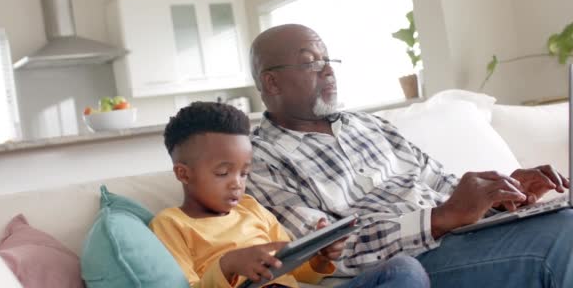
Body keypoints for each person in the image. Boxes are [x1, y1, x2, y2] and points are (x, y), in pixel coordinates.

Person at [246, 23, 573, 287]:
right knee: (563, 239)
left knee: (564, 219)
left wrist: (501, 197)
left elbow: (444, 185)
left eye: (329, 60)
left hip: (464, 237)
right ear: (272, 82)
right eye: (311, 62)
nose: (328, 71)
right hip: (405, 267)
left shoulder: (369, 125)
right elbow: (321, 255)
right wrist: (439, 218)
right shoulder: (259, 159)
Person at [150, 101, 430, 288]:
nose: (237, 184)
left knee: (404, 269)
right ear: (184, 174)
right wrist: (229, 264)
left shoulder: (251, 209)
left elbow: (297, 271)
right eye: (223, 173)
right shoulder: (171, 224)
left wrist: (320, 256)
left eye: (244, 173)